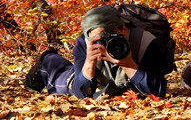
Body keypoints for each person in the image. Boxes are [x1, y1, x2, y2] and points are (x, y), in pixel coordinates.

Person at [24, 5, 168, 98]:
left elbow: (158, 91)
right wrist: (89, 64)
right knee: (62, 81)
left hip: (122, 82)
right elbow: (80, 92)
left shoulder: (145, 42)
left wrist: (128, 64)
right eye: (102, 39)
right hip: (98, 78)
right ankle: (47, 60)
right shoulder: (84, 43)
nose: (109, 43)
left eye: (113, 36)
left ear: (124, 28)